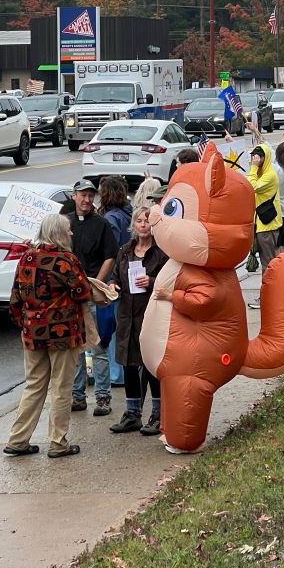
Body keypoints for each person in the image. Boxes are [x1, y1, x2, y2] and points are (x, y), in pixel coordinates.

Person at [4, 214, 91, 459]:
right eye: (68, 230)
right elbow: (82, 292)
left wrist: (24, 324)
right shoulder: (65, 260)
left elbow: (15, 298)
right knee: (61, 389)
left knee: (33, 386)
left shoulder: (27, 258)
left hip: (33, 333)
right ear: (59, 233)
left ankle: (18, 440)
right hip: (63, 333)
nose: (71, 234)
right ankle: (58, 443)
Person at [108, 208, 168, 436]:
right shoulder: (125, 251)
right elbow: (115, 277)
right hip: (126, 314)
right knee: (129, 364)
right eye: (139, 221)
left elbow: (170, 281)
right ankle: (132, 413)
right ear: (133, 225)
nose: (143, 225)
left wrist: (151, 281)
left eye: (147, 221)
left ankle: (158, 413)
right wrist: (113, 285)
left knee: (151, 365)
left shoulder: (161, 253)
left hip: (149, 314)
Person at [68, 179, 119, 417]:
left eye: (90, 195)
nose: (87, 200)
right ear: (74, 196)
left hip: (93, 293)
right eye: (82, 195)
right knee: (76, 348)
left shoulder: (101, 224)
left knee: (98, 346)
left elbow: (110, 255)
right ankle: (77, 395)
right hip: (70, 295)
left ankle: (102, 397)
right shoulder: (65, 223)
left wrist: (95, 283)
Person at [98, 176, 133, 388]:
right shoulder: (129, 213)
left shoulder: (111, 219)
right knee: (124, 325)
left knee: (110, 327)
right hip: (129, 275)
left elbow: (110, 252)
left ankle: (115, 373)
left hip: (115, 279)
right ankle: (124, 369)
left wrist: (106, 281)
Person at [246, 145, 282, 310]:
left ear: (264, 158)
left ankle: (267, 298)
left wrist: (253, 169)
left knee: (268, 264)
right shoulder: (262, 173)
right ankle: (273, 295)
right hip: (262, 224)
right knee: (268, 262)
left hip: (267, 226)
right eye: (253, 157)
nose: (255, 160)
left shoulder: (269, 175)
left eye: (257, 158)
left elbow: (250, 186)